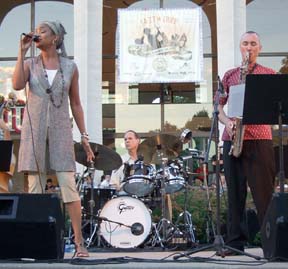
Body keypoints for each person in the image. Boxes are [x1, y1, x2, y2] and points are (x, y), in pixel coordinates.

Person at [12, 21, 95, 257]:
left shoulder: (70, 67)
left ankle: (79, 243)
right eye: (36, 30)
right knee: (35, 188)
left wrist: (84, 136)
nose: (37, 33)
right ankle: (36, 243)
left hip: (60, 131)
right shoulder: (30, 63)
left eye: (43, 31)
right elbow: (17, 84)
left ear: (56, 38)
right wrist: (21, 51)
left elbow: (76, 103)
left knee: (68, 185)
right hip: (34, 131)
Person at [217, 31, 276, 255]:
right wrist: (227, 123)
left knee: (264, 195)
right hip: (232, 139)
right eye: (245, 44)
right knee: (234, 195)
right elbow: (219, 107)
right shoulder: (230, 75)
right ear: (240, 47)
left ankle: (272, 244)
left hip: (259, 138)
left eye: (253, 44)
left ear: (259, 48)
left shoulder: (268, 74)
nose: (249, 47)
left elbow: (274, 106)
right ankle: (234, 244)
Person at [110, 130, 172, 221]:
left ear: (138, 140)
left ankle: (167, 226)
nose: (127, 141)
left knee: (166, 194)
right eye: (125, 139)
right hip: (126, 195)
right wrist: (118, 186)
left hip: (145, 193)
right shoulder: (120, 161)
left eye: (130, 138)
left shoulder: (148, 161)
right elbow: (113, 183)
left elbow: (153, 179)